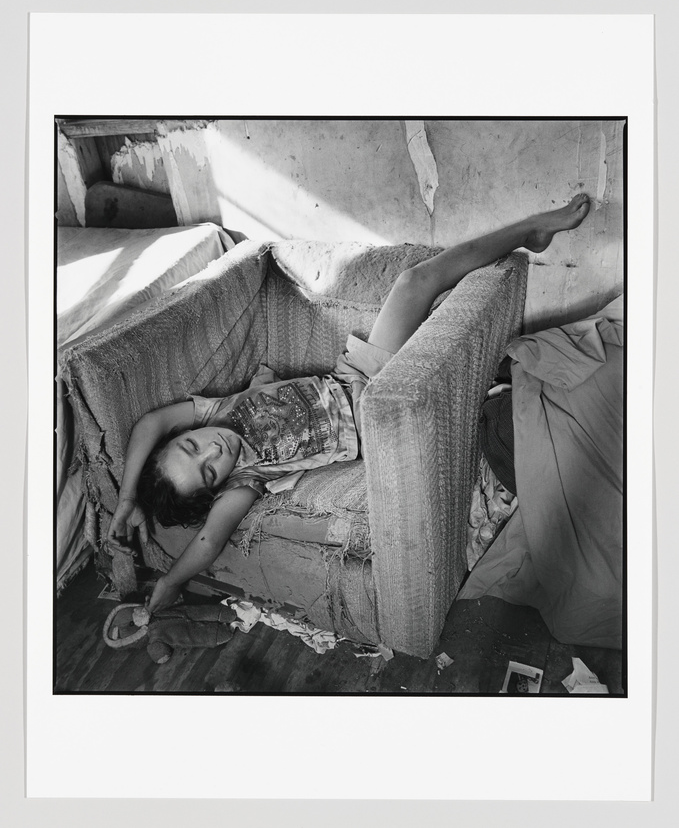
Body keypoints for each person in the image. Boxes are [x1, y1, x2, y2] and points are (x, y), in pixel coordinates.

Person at [107, 194, 591, 614]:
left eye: (192, 447)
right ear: (219, 488)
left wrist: (127, 499)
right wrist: (171, 582)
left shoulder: (212, 413)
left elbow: (150, 420)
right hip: (375, 417)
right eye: (210, 471)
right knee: (462, 401)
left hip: (354, 371)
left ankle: (530, 230)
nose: (214, 451)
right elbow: (210, 541)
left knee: (412, 283)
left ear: (186, 431)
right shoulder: (248, 479)